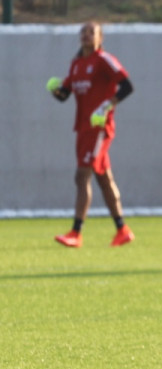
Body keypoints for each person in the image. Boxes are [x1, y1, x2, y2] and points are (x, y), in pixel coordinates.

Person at [48, 21, 135, 248]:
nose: (86, 35)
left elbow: (127, 86)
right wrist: (55, 90)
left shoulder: (104, 60)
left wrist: (106, 106)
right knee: (103, 178)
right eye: (83, 32)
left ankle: (76, 233)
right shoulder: (76, 63)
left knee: (81, 176)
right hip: (83, 128)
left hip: (99, 128)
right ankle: (122, 230)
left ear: (100, 38)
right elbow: (64, 94)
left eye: (91, 32)